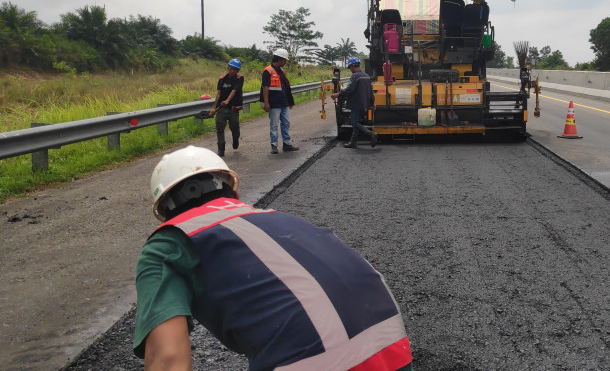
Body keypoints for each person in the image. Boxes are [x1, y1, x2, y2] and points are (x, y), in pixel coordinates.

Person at [135, 145, 413, 370]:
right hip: (393, 351)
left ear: (166, 212)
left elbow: (168, 359)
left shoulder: (167, 243)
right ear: (234, 191)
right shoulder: (279, 218)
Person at [331, 57, 378, 149]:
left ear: (353, 66)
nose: (350, 69)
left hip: (356, 103)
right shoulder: (366, 76)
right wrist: (372, 103)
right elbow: (370, 91)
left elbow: (350, 89)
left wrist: (338, 94)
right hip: (364, 104)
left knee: (354, 123)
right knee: (356, 121)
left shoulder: (355, 76)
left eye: (350, 67)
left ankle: (371, 134)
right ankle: (353, 142)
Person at [261, 49, 298, 153]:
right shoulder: (267, 71)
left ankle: (287, 144)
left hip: (283, 102)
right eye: (284, 60)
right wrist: (266, 103)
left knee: (286, 123)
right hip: (274, 103)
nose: (285, 63)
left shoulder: (281, 71)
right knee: (274, 125)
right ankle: (274, 145)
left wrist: (289, 102)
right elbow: (265, 87)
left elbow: (285, 87)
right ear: (279, 59)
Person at [209, 58, 244, 157]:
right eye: (231, 68)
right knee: (219, 128)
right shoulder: (222, 79)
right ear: (228, 68)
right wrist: (214, 107)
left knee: (234, 127)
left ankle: (235, 138)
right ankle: (221, 148)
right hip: (221, 108)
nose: (232, 71)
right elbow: (218, 94)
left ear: (238, 71)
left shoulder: (239, 79)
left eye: (235, 69)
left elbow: (234, 90)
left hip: (233, 108)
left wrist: (228, 100)